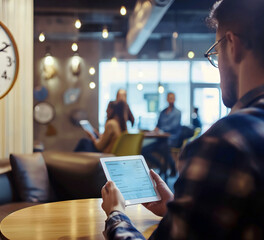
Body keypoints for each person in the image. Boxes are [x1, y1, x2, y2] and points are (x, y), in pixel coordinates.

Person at [101, 0, 264, 239]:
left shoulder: (227, 142)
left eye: (216, 53)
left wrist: (116, 214)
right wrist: (178, 208)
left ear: (233, 45)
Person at [141, 92, 181, 177]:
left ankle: (167, 169)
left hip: (172, 139)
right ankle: (161, 166)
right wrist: (156, 129)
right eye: (169, 98)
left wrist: (160, 130)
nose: (171, 100)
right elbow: (158, 125)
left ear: (175, 99)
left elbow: (173, 127)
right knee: (143, 150)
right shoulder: (162, 112)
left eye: (172, 98)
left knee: (164, 147)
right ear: (167, 99)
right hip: (160, 140)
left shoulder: (177, 113)